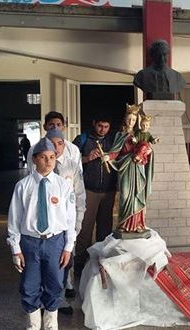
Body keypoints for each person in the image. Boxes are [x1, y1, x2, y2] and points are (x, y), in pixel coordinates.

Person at [7, 138, 76, 330]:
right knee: (29, 285)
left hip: (55, 242)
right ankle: (33, 325)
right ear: (34, 159)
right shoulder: (23, 186)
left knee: (54, 283)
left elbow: (70, 219)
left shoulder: (64, 185)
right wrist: (15, 248)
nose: (48, 161)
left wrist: (68, 247)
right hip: (29, 243)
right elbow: (14, 219)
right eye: (43, 157)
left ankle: (51, 325)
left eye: (52, 157)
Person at [45, 129, 86, 312]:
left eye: (59, 144)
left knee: (66, 262)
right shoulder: (40, 166)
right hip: (47, 227)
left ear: (64, 144)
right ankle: (54, 299)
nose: (56, 148)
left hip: (67, 226)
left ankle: (58, 294)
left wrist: (78, 224)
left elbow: (79, 196)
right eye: (52, 144)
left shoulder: (71, 166)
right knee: (49, 264)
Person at [72, 115, 117, 276]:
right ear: (94, 124)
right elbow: (71, 161)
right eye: (100, 126)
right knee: (85, 229)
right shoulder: (83, 139)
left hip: (109, 190)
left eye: (106, 126)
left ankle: (100, 266)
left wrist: (112, 157)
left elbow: (121, 159)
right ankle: (79, 266)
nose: (102, 130)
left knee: (105, 230)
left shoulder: (113, 140)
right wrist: (87, 157)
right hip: (88, 190)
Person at [105, 104, 154, 233]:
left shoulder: (139, 134)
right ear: (125, 119)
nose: (131, 122)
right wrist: (108, 157)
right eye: (129, 119)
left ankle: (137, 224)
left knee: (138, 195)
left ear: (137, 120)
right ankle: (124, 224)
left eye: (133, 119)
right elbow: (115, 151)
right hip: (125, 168)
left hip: (138, 168)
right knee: (125, 195)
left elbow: (147, 147)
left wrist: (148, 151)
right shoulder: (120, 134)